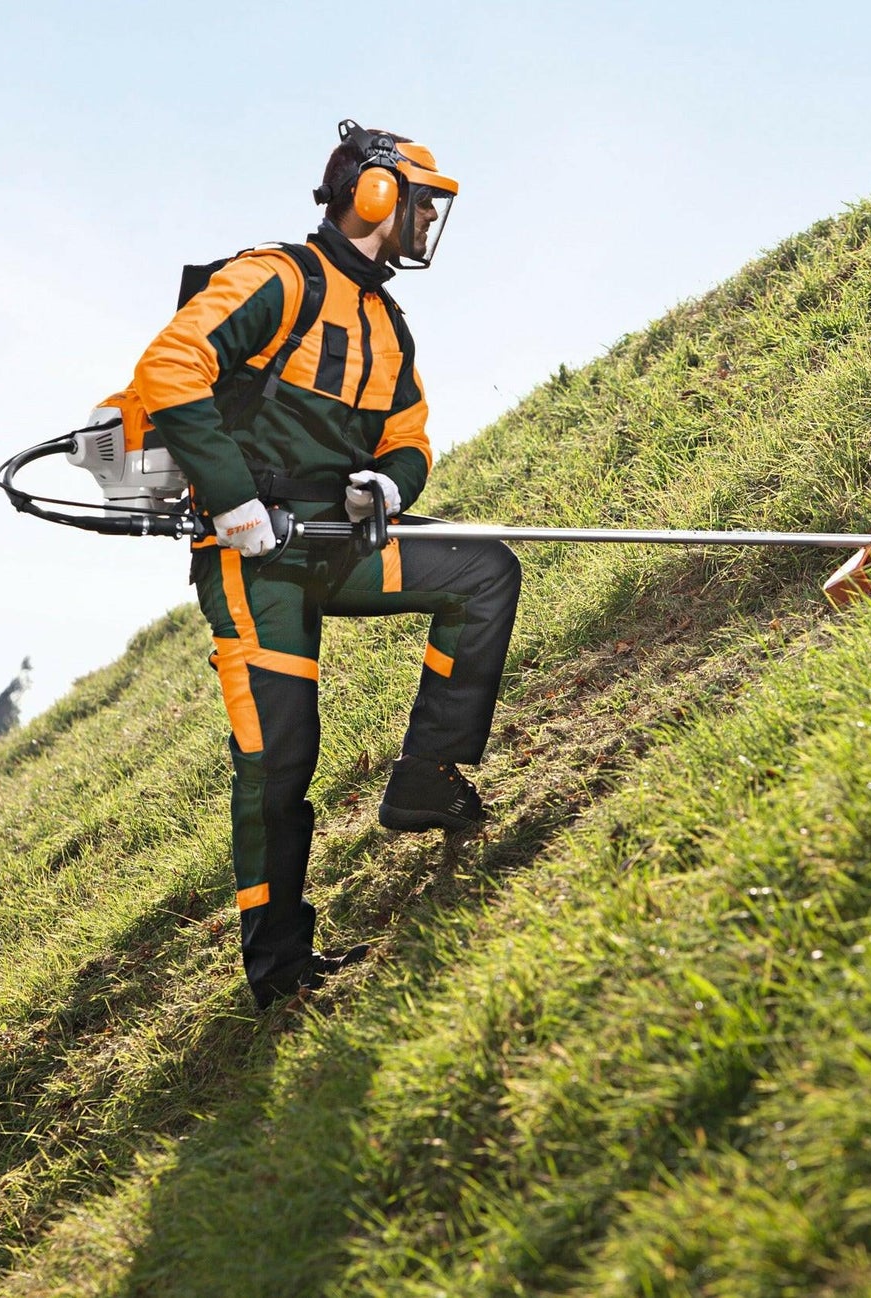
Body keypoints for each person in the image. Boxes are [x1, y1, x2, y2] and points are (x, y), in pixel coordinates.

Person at [130, 120, 521, 1009]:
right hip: (253, 563)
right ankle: (278, 970)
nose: (430, 221)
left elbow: (410, 437)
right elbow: (171, 366)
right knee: (279, 760)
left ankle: (426, 778)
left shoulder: (386, 324)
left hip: (337, 550)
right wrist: (232, 502)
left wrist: (387, 483)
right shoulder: (275, 280)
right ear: (378, 196)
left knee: (483, 573)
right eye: (423, 203)